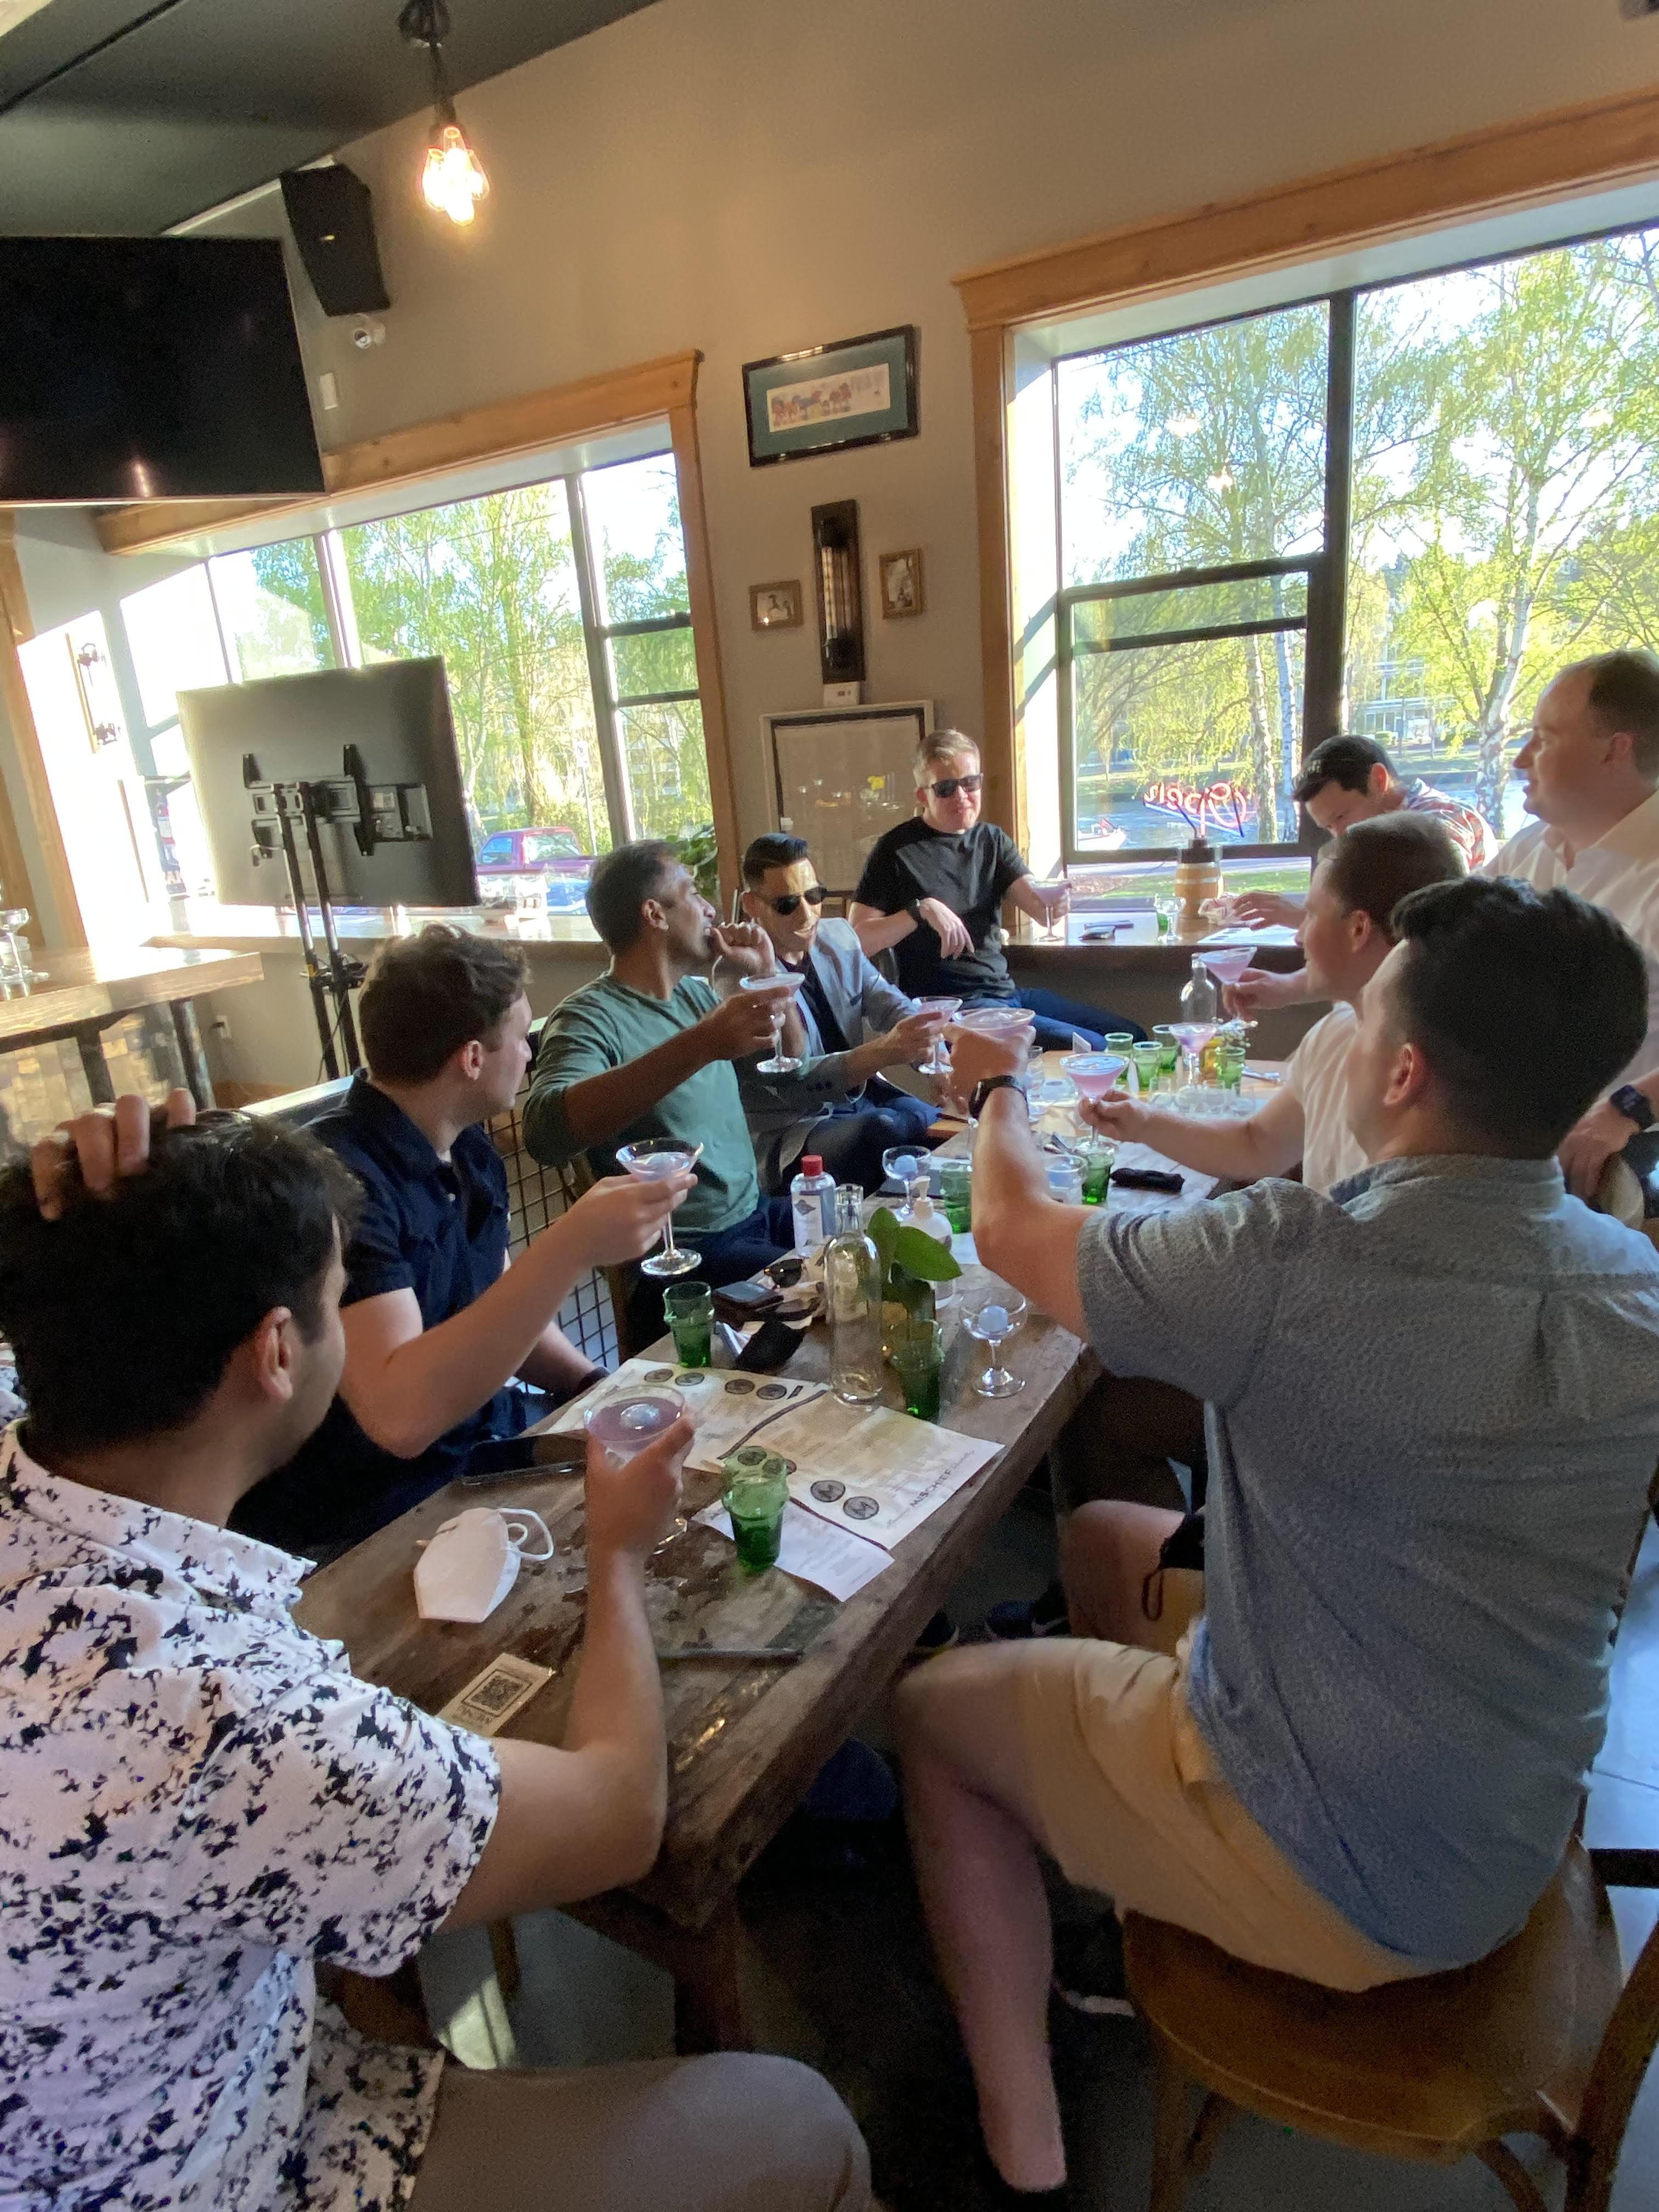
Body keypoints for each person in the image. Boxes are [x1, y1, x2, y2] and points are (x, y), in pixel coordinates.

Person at [896, 876, 1659, 2203]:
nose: (1342, 1039)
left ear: (1404, 1073)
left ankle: (1023, 2160)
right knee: (1106, 1540)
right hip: (1516, 1806)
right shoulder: (1634, 1281)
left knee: (929, 1712)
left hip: (1348, 1873)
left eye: (1365, 1022)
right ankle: (1129, 1876)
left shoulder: (1295, 1263)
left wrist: (997, 1089)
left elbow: (1011, 1230)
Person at [0, 1095, 870, 2212]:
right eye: (336, 1302)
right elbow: (618, 1816)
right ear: (277, 1350)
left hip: (179, 2072)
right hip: (238, 2164)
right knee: (797, 2123)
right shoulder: (219, 1712)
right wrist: (615, 1553)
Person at [232, 926, 692, 1558]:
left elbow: (503, 1306)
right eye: (522, 1037)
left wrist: (593, 1386)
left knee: (681, 1479)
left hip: (486, 1443)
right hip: (376, 1512)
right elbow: (399, 1419)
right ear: (472, 1058)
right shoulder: (338, 1184)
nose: (529, 1055)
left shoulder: (470, 1147)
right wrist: (572, 1244)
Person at [1232, 653, 1659, 1046]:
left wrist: (1630, 1104)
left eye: (1543, 740)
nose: (1520, 760)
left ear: (1616, 749)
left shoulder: (1442, 828)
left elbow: (1398, 924)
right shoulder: (1533, 848)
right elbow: (1432, 942)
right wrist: (1292, 986)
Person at [1089, 814, 1465, 1197]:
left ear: (1358, 930)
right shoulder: (1335, 1034)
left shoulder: (1445, 1087)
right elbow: (1257, 1145)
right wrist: (1142, 1122)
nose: (1300, 936)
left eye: (1311, 914)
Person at [522, 842, 800, 1344]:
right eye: (692, 893)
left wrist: (765, 973)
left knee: (864, 1251)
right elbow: (546, 1130)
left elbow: (786, 1072)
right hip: (684, 1258)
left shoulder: (697, 995)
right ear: (654, 914)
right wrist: (702, 1044)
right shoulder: (588, 1017)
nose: (710, 908)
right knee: (830, 1297)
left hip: (755, 1215)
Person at [848, 730, 1142, 1050]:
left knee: (1130, 1036)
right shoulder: (894, 851)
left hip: (1006, 994)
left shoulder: (992, 841)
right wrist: (920, 910)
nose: (961, 795)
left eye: (970, 783)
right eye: (946, 788)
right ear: (923, 796)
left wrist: (1056, 902)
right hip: (955, 1008)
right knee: (1095, 1047)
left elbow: (1039, 907)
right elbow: (855, 942)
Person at [737, 831, 941, 1192]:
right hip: (795, 1129)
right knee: (884, 1129)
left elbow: (891, 1004)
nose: (807, 913)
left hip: (862, 1100)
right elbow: (792, 1087)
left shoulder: (838, 937)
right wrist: (882, 1052)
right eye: (787, 904)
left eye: (814, 896)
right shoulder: (740, 974)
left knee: (933, 1122)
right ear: (752, 906)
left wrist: (935, 1055)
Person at [1233, 732, 1494, 927]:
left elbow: (1428, 921)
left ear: (1379, 780)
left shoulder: (1441, 823)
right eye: (1329, 827)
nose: (1340, 835)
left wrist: (1305, 918)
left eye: (1342, 816)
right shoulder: (1386, 838)